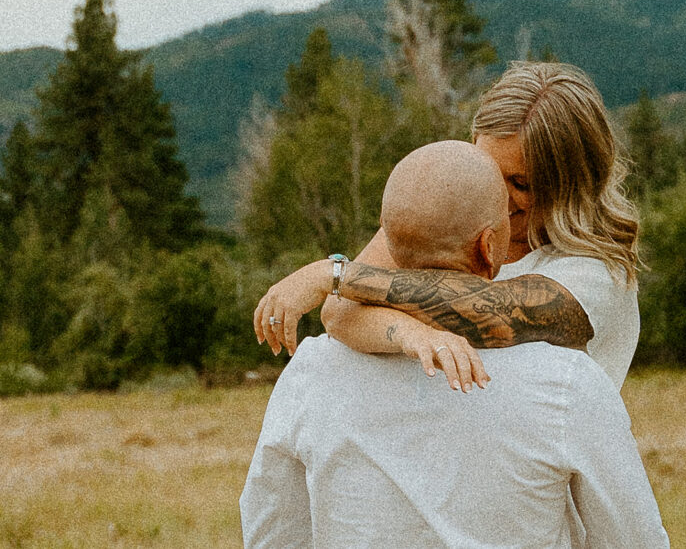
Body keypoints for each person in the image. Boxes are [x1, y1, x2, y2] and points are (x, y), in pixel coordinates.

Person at [240, 141, 668, 547]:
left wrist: (335, 276)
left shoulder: (310, 376)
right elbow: (635, 540)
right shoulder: (568, 386)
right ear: (489, 244)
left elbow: (271, 534)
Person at [254, 62, 641, 392]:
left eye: (521, 184)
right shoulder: (450, 213)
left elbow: (490, 312)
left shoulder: (596, 271)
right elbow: (340, 314)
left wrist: (333, 273)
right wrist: (412, 335)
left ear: (572, 183)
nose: (499, 200)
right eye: (488, 171)